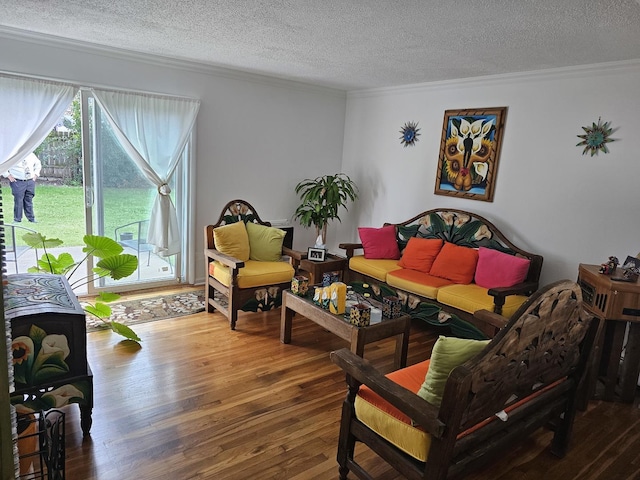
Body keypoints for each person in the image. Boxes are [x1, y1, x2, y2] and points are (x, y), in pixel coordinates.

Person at [2, 152, 42, 223]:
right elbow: (3, 165)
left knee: (29, 199)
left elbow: (38, 163)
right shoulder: (13, 155)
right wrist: (8, 175)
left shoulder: (30, 154)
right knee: (18, 200)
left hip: (30, 181)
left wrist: (36, 175)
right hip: (18, 181)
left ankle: (31, 218)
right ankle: (17, 219)